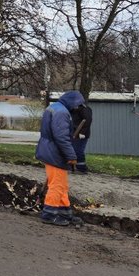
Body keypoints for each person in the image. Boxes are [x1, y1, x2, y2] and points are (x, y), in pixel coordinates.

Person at [35, 90, 85, 226]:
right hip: (55, 154)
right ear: (73, 103)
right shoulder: (62, 113)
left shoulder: (54, 108)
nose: (77, 109)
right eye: (77, 105)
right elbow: (61, 138)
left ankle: (64, 212)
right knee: (57, 185)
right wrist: (72, 156)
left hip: (51, 151)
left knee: (62, 185)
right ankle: (49, 214)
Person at [71, 103, 93, 174]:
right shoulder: (74, 109)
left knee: (78, 150)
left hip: (81, 134)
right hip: (74, 132)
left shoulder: (85, 109)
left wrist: (82, 132)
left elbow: (87, 120)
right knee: (74, 150)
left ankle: (81, 168)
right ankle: (73, 167)